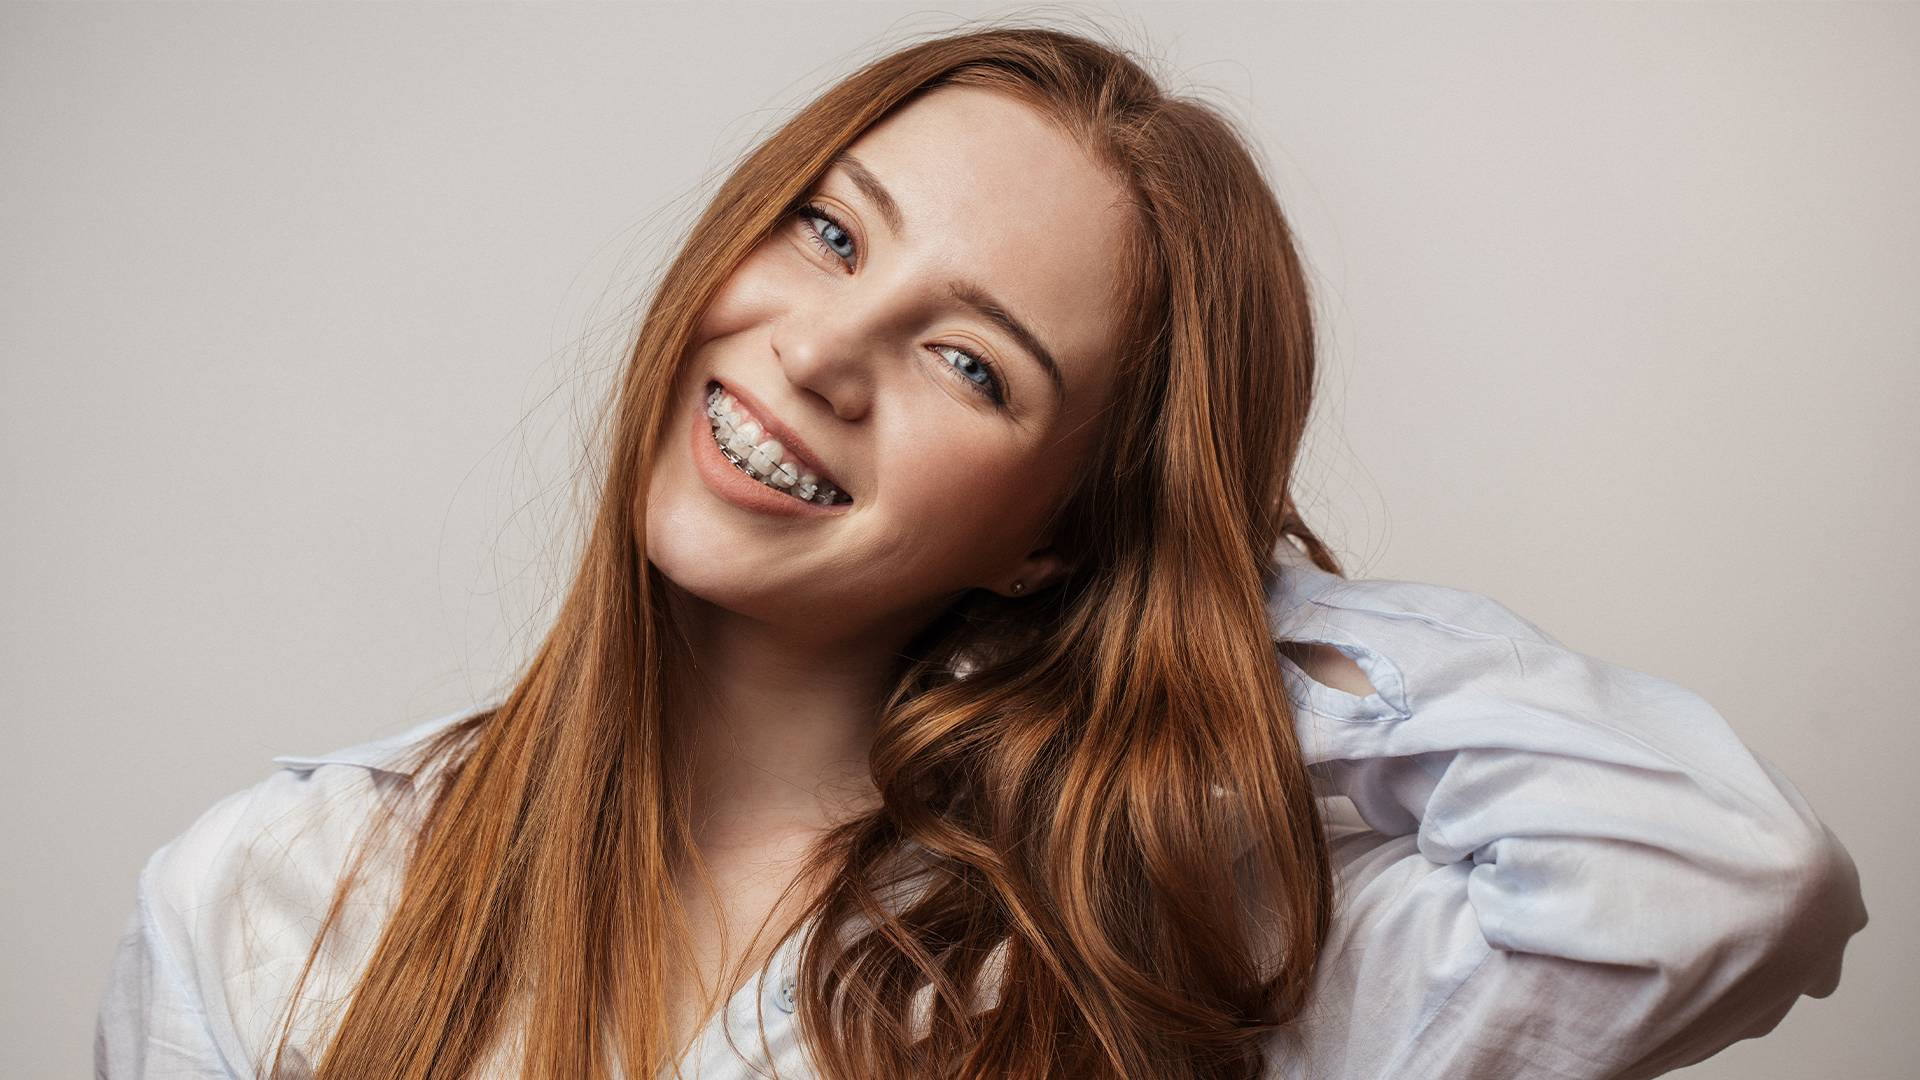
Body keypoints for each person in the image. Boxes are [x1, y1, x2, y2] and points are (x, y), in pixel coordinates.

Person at [95, 27, 1865, 1080]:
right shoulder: (277, 898)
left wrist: (1181, 596)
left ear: (1059, 529)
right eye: (827, 231)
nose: (819, 351)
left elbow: (1717, 867)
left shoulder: (1174, 945)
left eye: (971, 362)